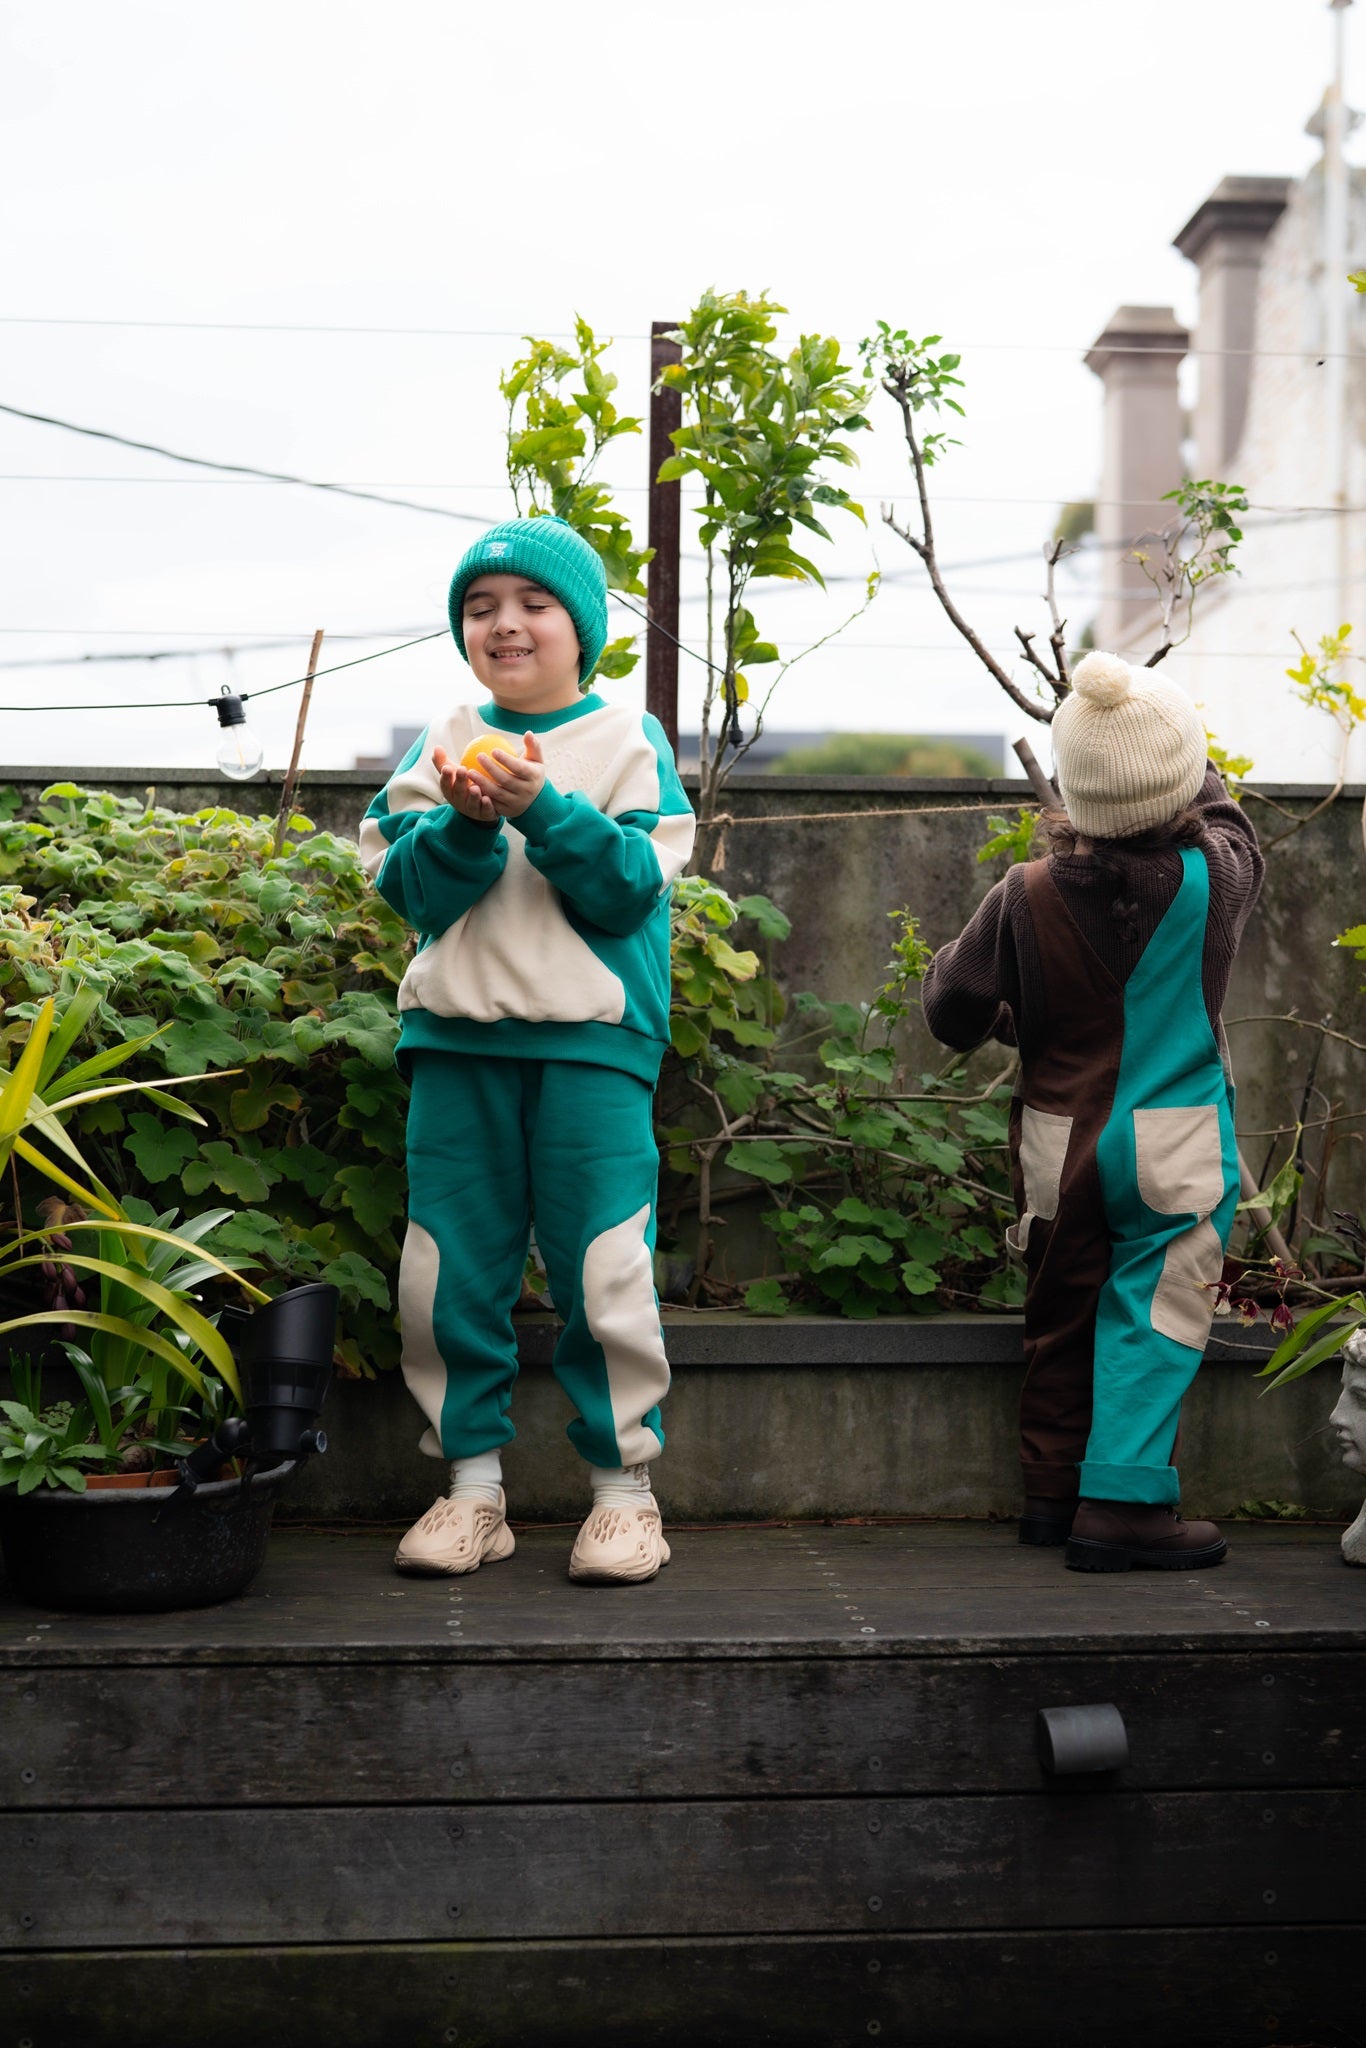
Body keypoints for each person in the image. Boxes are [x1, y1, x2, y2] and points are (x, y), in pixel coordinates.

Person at [359, 516, 695, 1584]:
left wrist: (540, 805)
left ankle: (623, 1495)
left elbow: (629, 888)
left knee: (607, 1269)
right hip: (455, 1043)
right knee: (445, 1272)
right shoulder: (443, 738)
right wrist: (462, 823)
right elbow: (405, 890)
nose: (506, 624)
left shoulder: (630, 741)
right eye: (480, 607)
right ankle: (471, 1490)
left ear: (581, 627)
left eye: (533, 605)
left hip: (595, 1047)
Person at [921, 651, 1264, 1571]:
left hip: (1056, 1138)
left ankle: (1051, 1496)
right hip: (1176, 1137)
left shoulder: (1021, 896)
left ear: (1073, 790)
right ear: (1184, 774)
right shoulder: (1219, 875)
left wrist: (1011, 1016)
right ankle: (1123, 1508)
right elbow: (1223, 808)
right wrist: (1159, 729)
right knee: (1157, 1311)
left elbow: (950, 1010)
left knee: (1061, 1305)